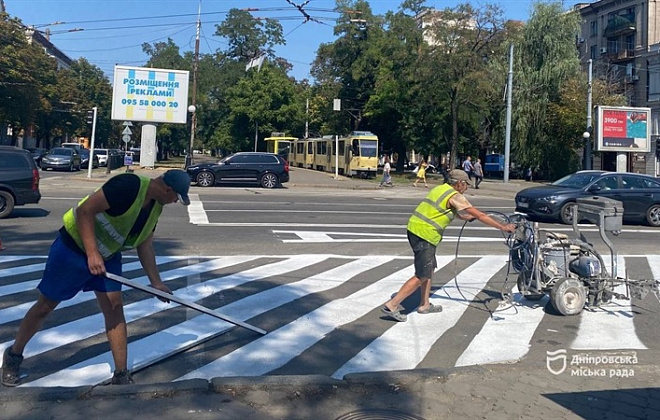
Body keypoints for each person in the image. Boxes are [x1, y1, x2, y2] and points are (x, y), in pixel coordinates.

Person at [1, 169, 191, 387]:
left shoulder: (156, 206)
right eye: (176, 196)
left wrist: (156, 282)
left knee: (114, 307)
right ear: (167, 189)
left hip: (107, 256)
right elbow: (84, 211)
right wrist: (92, 253)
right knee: (46, 305)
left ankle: (121, 375)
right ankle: (13, 356)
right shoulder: (128, 186)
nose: (175, 201)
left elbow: (145, 244)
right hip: (72, 249)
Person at [381, 169, 516, 322]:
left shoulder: (440, 189)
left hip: (415, 229)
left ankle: (424, 305)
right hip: (424, 234)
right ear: (459, 183)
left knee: (429, 268)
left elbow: (445, 209)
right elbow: (481, 215)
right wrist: (503, 227)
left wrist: (464, 217)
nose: (466, 188)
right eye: (466, 184)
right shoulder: (455, 195)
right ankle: (392, 305)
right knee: (422, 274)